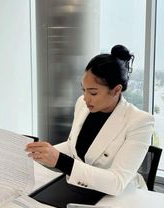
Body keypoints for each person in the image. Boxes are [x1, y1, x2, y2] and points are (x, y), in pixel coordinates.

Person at [26, 45, 155, 196]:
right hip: (81, 188)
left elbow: (117, 182)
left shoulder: (140, 122)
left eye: (93, 92)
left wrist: (60, 161)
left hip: (118, 198)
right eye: (83, 90)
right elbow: (72, 146)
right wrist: (43, 153)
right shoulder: (82, 103)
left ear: (116, 90)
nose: (86, 98)